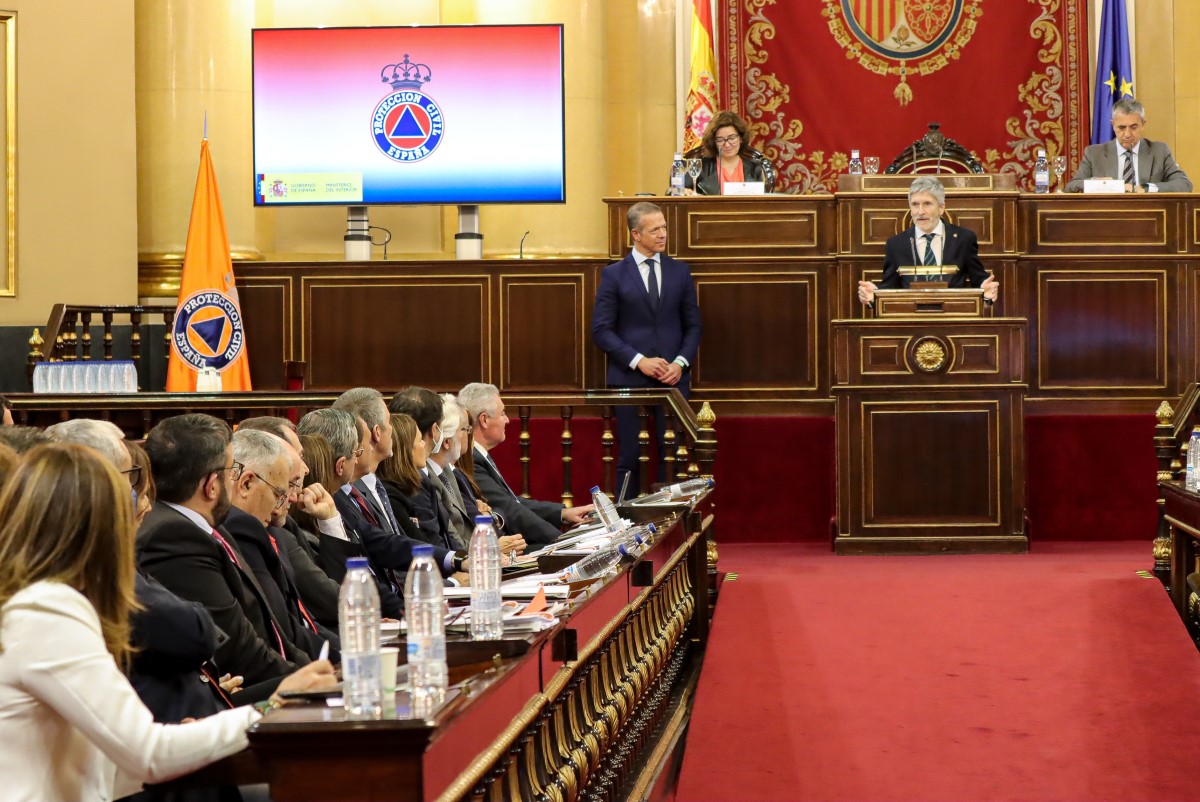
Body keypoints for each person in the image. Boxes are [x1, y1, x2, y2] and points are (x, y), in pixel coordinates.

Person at [0, 442, 259, 802]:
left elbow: (96, 766)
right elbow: (148, 754)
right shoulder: (46, 611)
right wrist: (267, 711)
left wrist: (190, 738)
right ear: (100, 528)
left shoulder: (31, 601)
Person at [591, 202, 703, 491]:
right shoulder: (614, 275)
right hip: (630, 380)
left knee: (673, 457)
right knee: (629, 456)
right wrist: (639, 360)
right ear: (636, 234)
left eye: (664, 227)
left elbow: (693, 326)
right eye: (655, 230)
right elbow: (601, 330)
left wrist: (679, 364)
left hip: (673, 381)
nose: (663, 234)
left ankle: (675, 526)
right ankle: (626, 522)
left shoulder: (679, 272)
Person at [458, 382, 593, 545]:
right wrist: (566, 542)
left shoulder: (480, 455)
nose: (507, 420)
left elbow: (514, 502)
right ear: (484, 420)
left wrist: (563, 513)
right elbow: (510, 509)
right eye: (503, 413)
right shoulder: (471, 460)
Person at [857, 176, 1000, 307]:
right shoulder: (896, 244)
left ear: (941, 207)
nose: (920, 211)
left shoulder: (963, 239)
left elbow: (978, 279)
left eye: (927, 204)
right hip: (910, 320)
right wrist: (874, 295)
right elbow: (889, 287)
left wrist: (986, 291)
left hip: (953, 316)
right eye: (915, 204)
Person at [1065, 98, 1192, 193]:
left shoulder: (1159, 151)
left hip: (1149, 218)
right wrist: (1101, 184)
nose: (1127, 134)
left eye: (1133, 127)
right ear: (1113, 125)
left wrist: (1145, 188)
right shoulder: (1094, 153)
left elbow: (1184, 184)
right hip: (1106, 219)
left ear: (1143, 124)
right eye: (1121, 127)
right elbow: (1071, 187)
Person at [683, 110, 765, 196]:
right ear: (713, 142)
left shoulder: (755, 169)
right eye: (720, 139)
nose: (727, 144)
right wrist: (683, 191)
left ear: (741, 138)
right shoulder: (702, 167)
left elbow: (763, 202)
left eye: (732, 138)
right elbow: (672, 191)